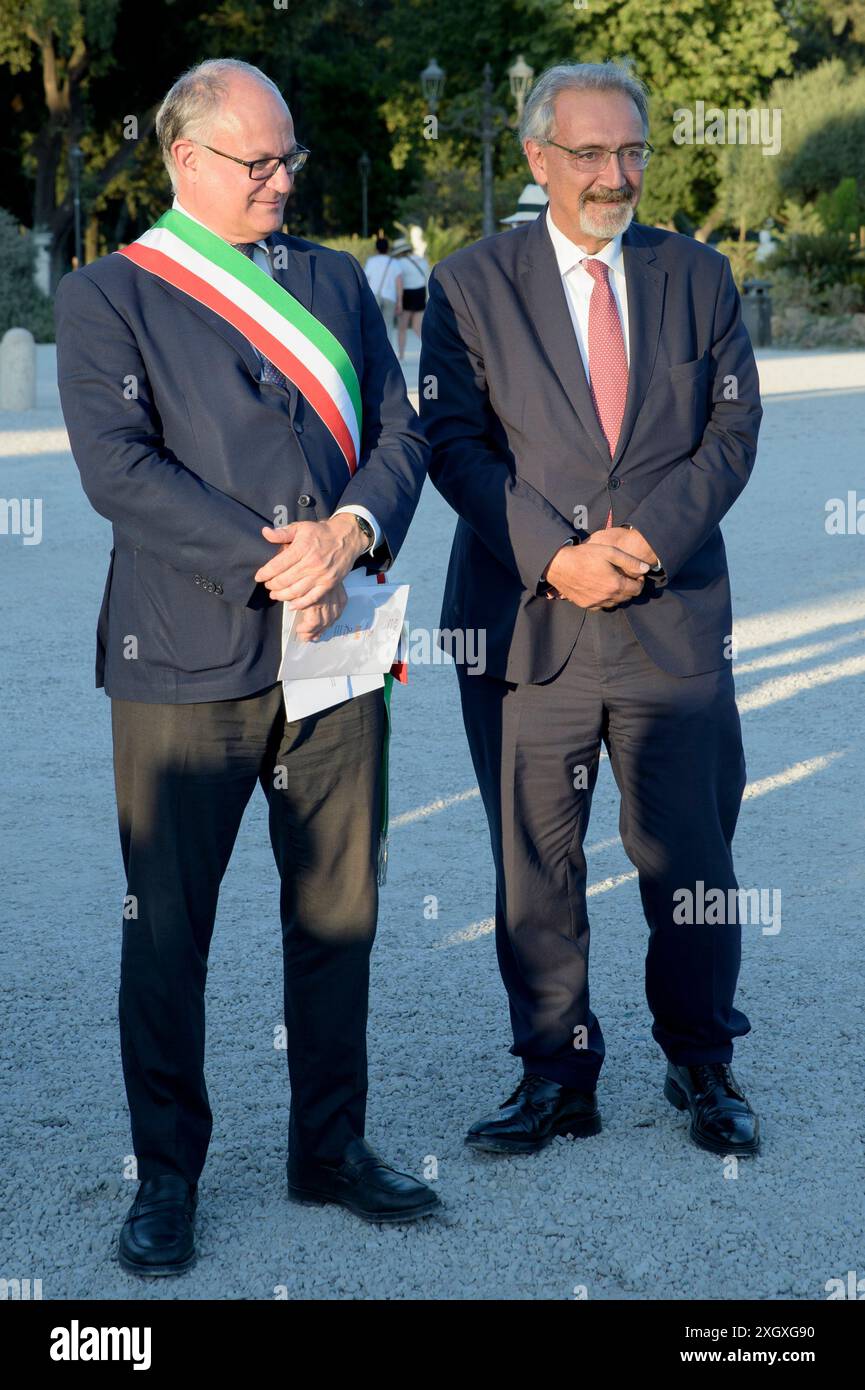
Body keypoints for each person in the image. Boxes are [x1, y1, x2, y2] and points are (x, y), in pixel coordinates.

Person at [54, 57, 436, 1277]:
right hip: (182, 655)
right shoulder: (109, 295)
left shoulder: (330, 276)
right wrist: (277, 562)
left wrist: (351, 531)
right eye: (256, 163)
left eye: (288, 161)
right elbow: (119, 468)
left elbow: (401, 430)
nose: (280, 180)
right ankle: (165, 1177)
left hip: (340, 647)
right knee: (167, 929)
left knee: (337, 911)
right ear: (184, 162)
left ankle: (329, 1147)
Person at [419, 61, 763, 1160]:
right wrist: (555, 558)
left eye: (630, 152)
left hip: (669, 619)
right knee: (535, 861)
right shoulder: (471, 284)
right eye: (588, 153)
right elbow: (453, 447)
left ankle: (701, 1062)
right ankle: (556, 1072)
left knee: (694, 859)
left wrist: (649, 542)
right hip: (529, 624)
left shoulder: (697, 276)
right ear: (537, 159)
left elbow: (732, 432)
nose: (613, 175)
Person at [392, 237, 429, 361]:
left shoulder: (399, 263)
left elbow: (399, 281)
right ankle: (429, 350)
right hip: (421, 292)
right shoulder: (421, 260)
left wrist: (399, 301)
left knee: (402, 327)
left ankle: (401, 355)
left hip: (407, 293)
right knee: (418, 327)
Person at [364, 232, 399, 338]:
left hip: (374, 297)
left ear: (376, 248)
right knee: (388, 325)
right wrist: (400, 301)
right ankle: (388, 351)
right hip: (390, 297)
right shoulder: (394, 262)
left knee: (374, 325)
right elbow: (399, 282)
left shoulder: (371, 262)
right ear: (387, 248)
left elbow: (365, 280)